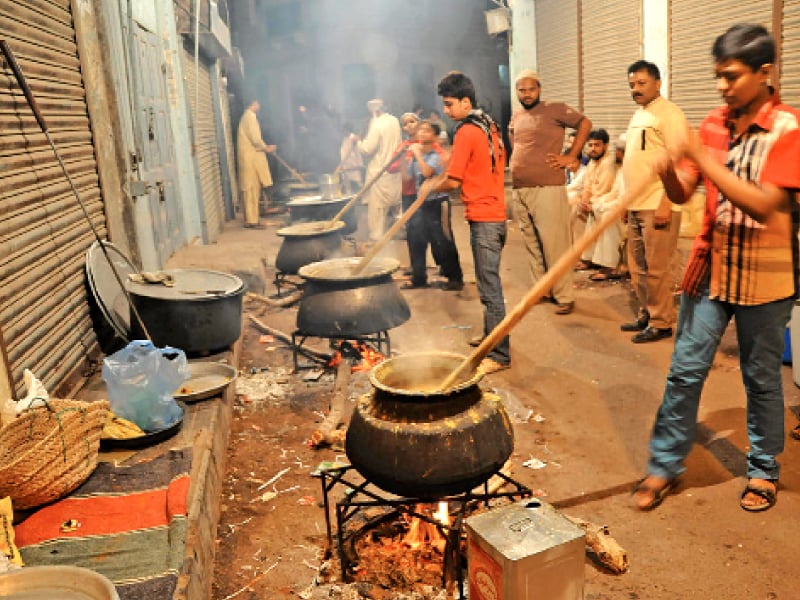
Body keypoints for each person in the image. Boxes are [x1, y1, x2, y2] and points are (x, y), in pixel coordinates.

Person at [633, 23, 800, 513]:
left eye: (731, 76)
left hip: (768, 278)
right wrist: (667, 167)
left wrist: (701, 164)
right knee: (685, 372)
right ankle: (664, 464)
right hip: (712, 271)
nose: (723, 87)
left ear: (765, 72)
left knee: (762, 377)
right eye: (718, 78)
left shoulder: (790, 129)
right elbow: (684, 194)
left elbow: (764, 204)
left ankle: (764, 468)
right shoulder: (712, 123)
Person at [424, 71, 510, 374]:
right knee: (490, 284)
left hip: (485, 216)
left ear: (465, 101)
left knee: (490, 289)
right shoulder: (489, 124)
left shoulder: (466, 131)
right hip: (496, 213)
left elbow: (455, 180)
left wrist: (430, 187)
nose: (446, 111)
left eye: (449, 105)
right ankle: (491, 337)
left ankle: (499, 355)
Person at [508, 69, 592, 315]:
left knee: (556, 244)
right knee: (532, 244)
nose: (526, 94)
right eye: (521, 90)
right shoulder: (516, 115)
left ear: (539, 89)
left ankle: (564, 295)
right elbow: (516, 143)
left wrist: (571, 156)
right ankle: (542, 289)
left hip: (547, 187)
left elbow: (585, 124)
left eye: (531, 89)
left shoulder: (554, 109)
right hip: (521, 188)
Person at [622, 60, 689, 343]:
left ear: (658, 83)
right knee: (638, 267)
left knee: (658, 267)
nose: (636, 89)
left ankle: (661, 322)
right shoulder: (640, 114)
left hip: (656, 204)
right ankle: (646, 314)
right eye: (632, 85)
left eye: (641, 83)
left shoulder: (669, 114)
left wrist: (666, 202)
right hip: (636, 204)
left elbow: (680, 160)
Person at [402, 120, 463, 290]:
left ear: (435, 136)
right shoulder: (417, 153)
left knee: (442, 241)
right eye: (420, 130)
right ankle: (418, 277)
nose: (421, 133)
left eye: (427, 131)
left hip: (438, 203)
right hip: (420, 203)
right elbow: (407, 177)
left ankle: (455, 279)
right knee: (416, 239)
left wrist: (418, 155)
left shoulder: (438, 155)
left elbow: (427, 172)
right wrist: (402, 157)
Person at [352, 99, 403, 244]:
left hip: (379, 170)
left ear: (375, 110)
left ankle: (376, 237)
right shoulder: (394, 120)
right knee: (395, 203)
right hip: (394, 168)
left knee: (377, 207)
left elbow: (367, 149)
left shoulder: (377, 123)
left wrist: (357, 141)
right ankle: (400, 230)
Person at [577, 129, 624, 279]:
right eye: (590, 145)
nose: (593, 149)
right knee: (576, 208)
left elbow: (610, 191)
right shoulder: (592, 162)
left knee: (606, 215)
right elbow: (588, 186)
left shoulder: (610, 163)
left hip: (613, 204)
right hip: (600, 201)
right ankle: (589, 258)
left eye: (597, 145)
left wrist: (594, 204)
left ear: (605, 145)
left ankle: (608, 266)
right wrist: (585, 200)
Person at [236, 99, 276, 229]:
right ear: (254, 104)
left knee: (251, 190)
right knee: (251, 189)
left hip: (249, 158)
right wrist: (266, 148)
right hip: (250, 160)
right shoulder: (250, 117)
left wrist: (265, 147)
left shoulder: (246, 117)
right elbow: (255, 139)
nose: (259, 106)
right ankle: (252, 221)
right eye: (258, 103)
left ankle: (252, 219)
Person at [339, 122, 363, 195]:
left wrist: (341, 163)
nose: (343, 132)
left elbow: (350, 151)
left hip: (353, 162)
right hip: (346, 163)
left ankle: (362, 194)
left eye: (344, 130)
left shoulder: (353, 137)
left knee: (358, 180)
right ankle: (348, 194)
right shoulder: (345, 138)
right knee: (346, 180)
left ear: (348, 130)